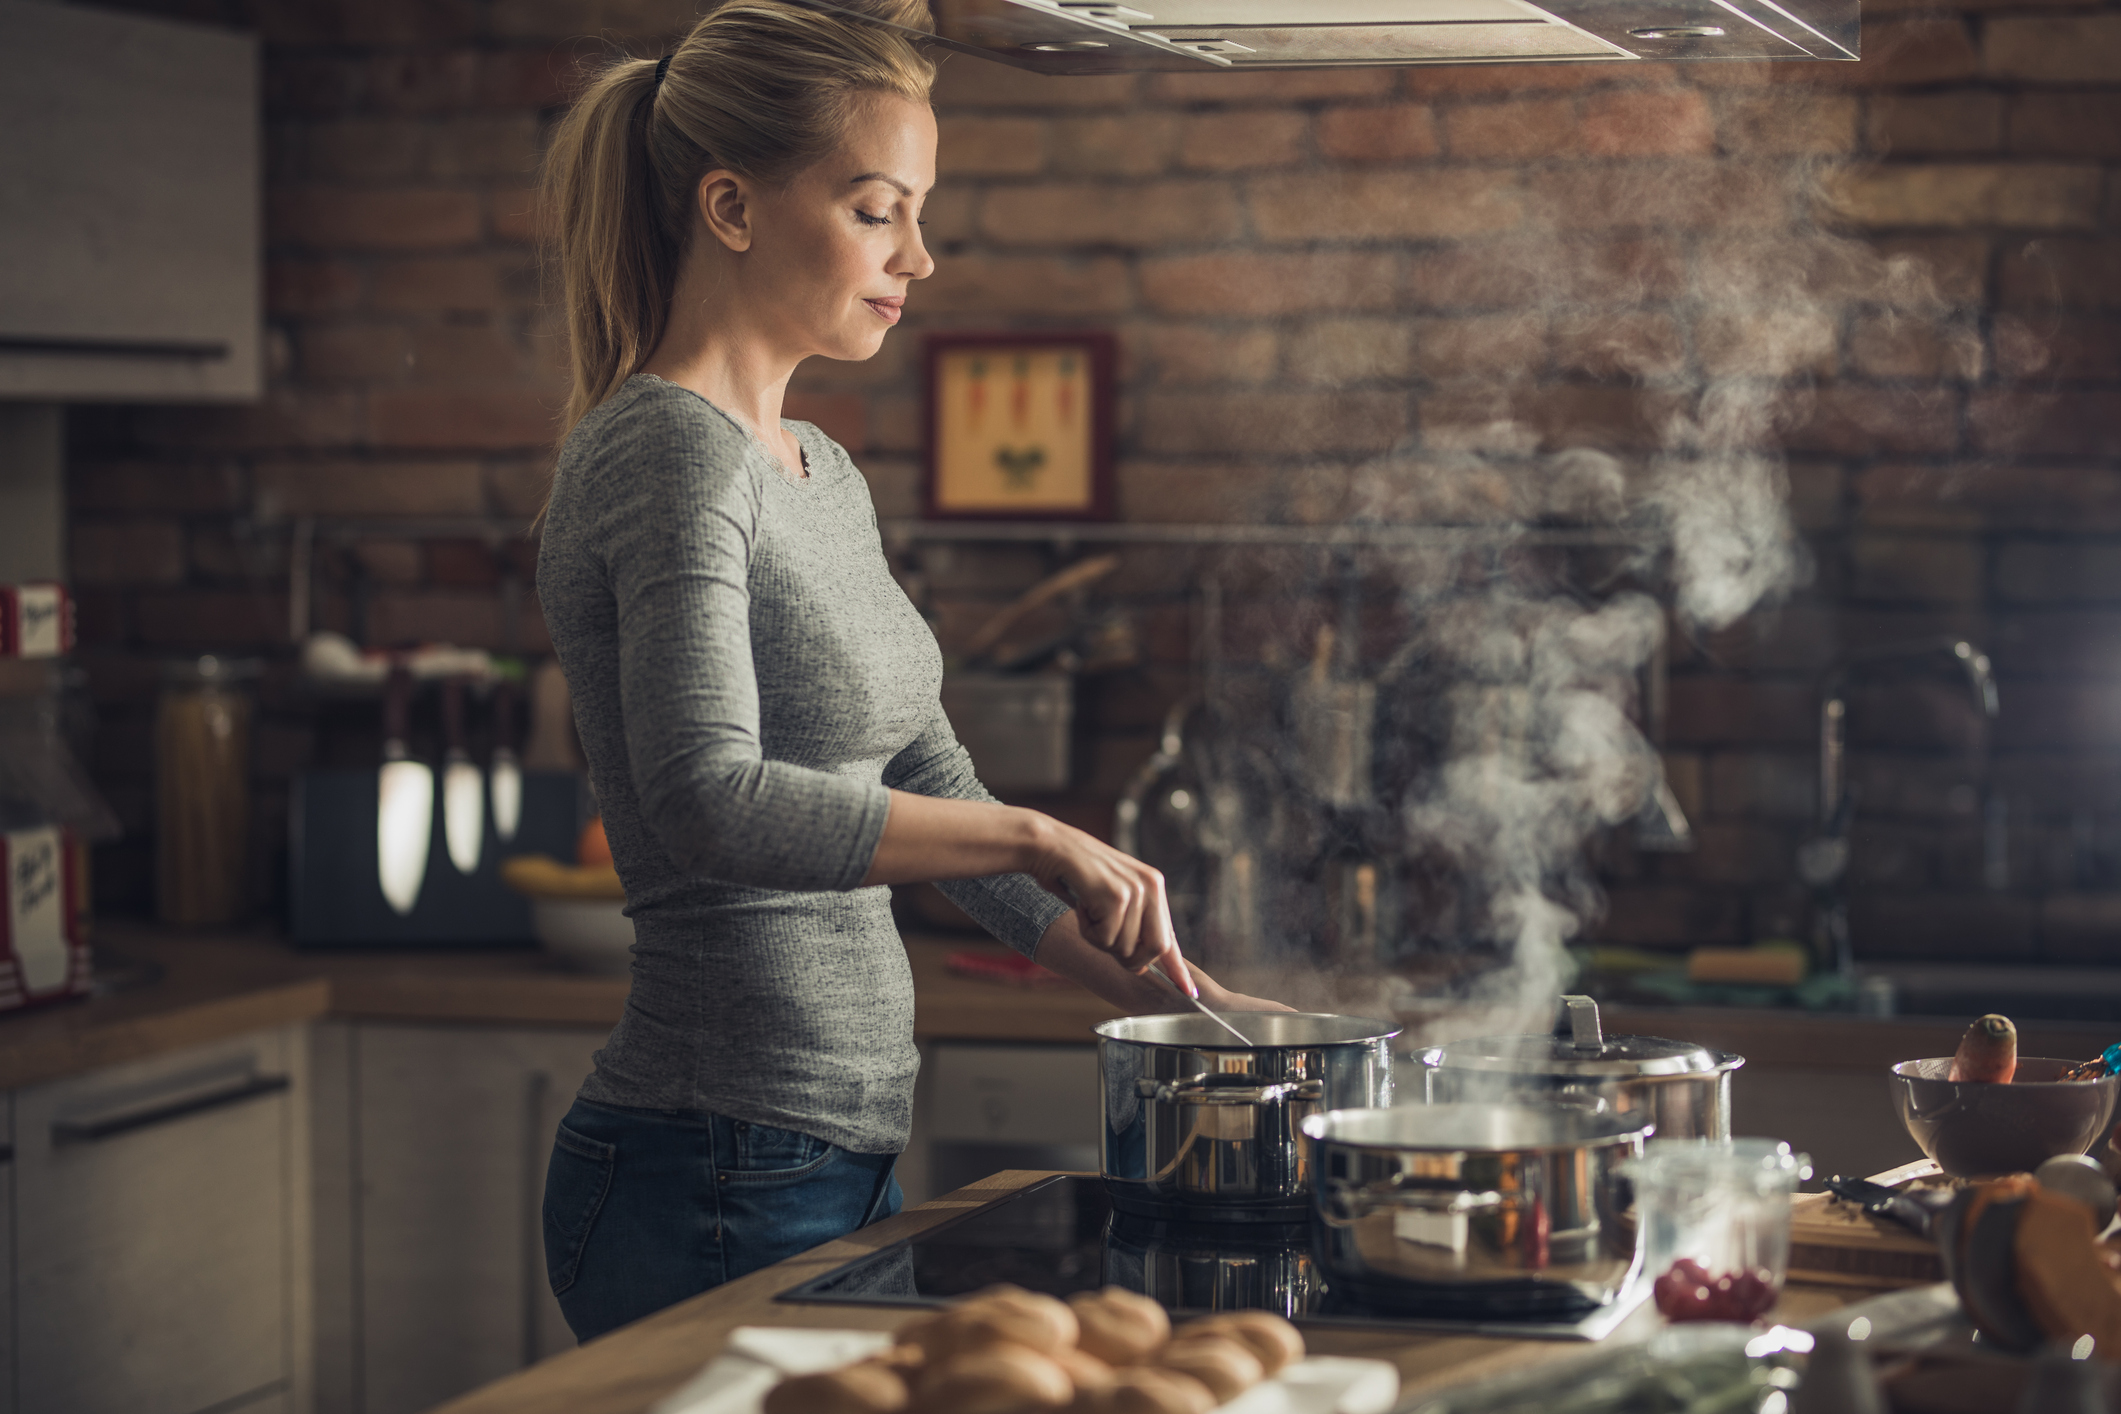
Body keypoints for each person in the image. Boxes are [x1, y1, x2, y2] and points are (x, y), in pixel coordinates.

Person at [533, 0, 1284, 1343]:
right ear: (730, 205)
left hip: (824, 1143)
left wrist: (1180, 999)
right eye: (878, 208)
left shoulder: (818, 470)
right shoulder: (663, 453)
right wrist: (1034, 829)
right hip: (708, 1153)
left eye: (918, 210)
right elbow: (708, 796)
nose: (918, 255)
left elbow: (925, 790)